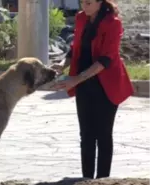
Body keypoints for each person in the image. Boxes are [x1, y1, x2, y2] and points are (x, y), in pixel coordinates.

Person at [51, 0, 134, 179]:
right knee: (86, 135)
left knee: (103, 135)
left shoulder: (113, 23)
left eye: (88, 3)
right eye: (82, 2)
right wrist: (63, 64)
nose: (84, 7)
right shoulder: (82, 18)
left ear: (100, 2)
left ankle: (103, 181)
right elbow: (76, 48)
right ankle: (86, 180)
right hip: (83, 84)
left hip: (106, 85)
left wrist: (76, 79)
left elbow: (106, 59)